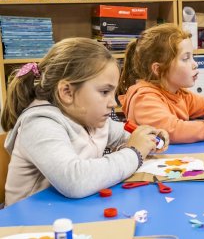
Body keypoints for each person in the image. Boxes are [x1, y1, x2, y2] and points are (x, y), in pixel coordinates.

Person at [0, 38, 169, 206]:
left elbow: (125, 135)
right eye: (104, 92)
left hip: (72, 214)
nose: (113, 103)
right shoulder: (39, 125)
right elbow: (74, 180)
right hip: (30, 226)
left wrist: (149, 137)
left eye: (113, 92)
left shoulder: (90, 118)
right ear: (67, 92)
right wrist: (135, 153)